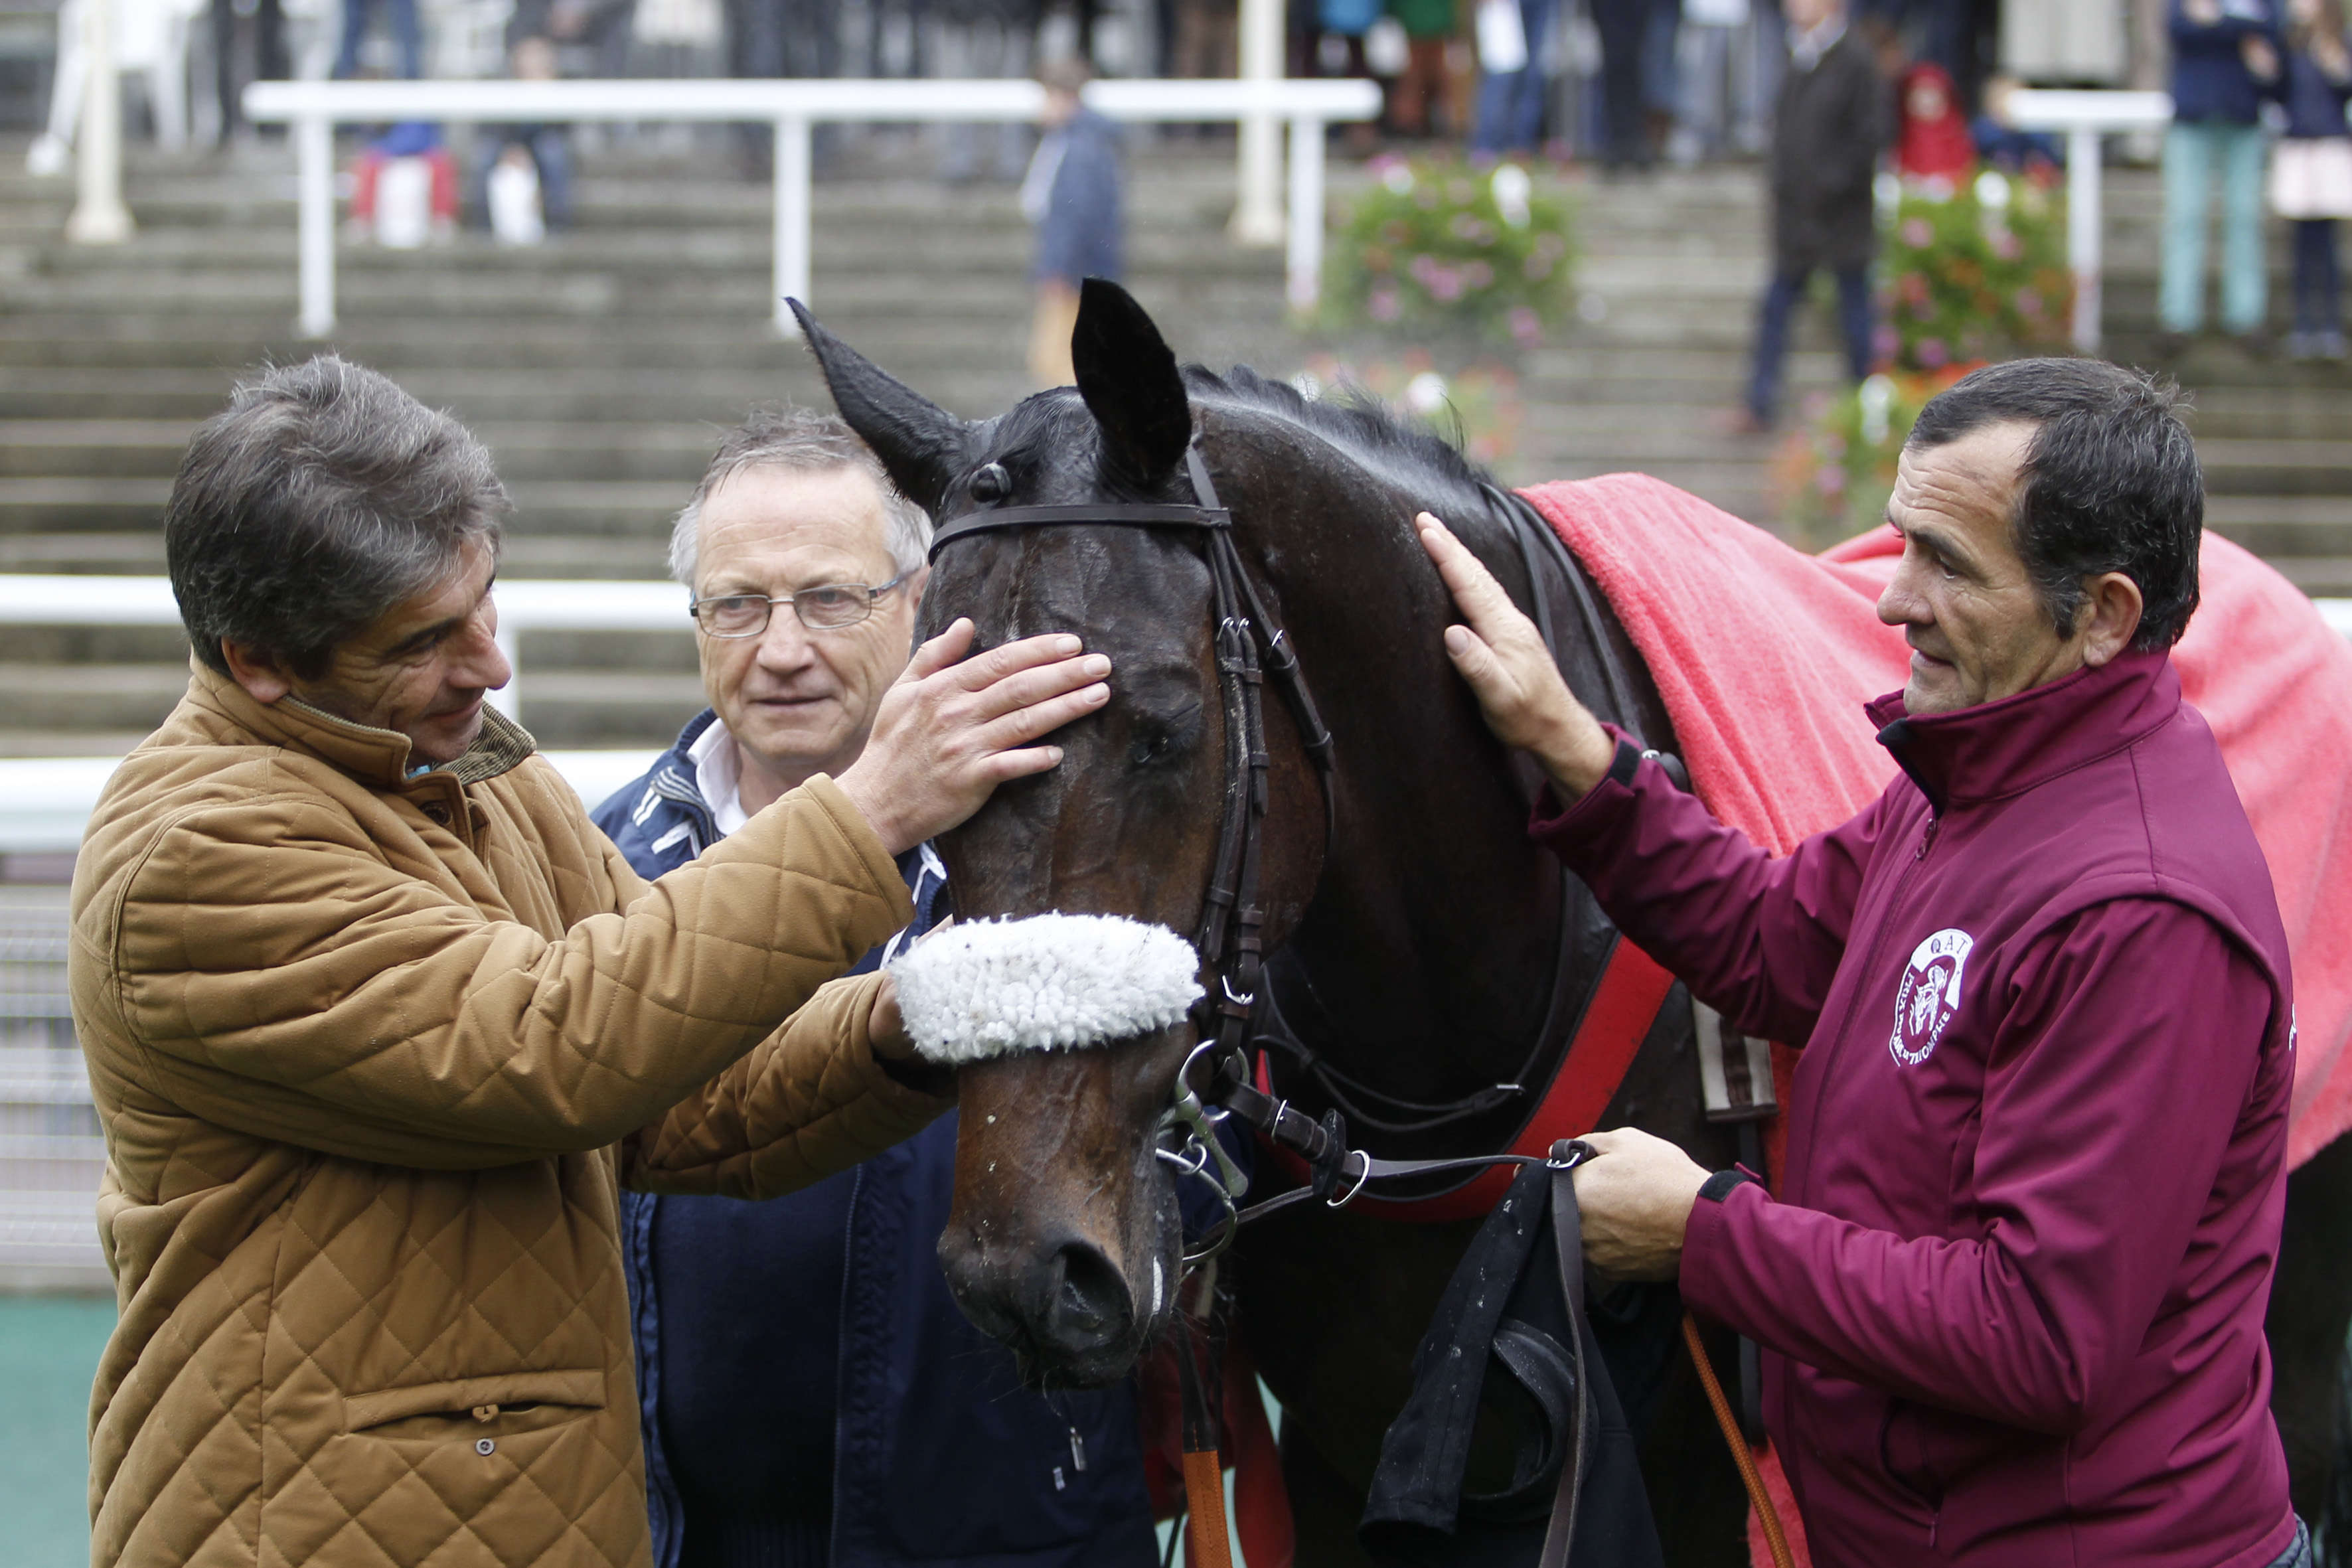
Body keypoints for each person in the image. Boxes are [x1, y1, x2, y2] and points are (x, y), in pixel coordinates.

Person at [67, 357, 1113, 1568]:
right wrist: (868, 810)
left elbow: (688, 1083)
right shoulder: (197, 849)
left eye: (484, 602)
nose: (489, 666)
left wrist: (919, 1009)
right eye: (424, 639)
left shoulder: (469, 775)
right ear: (258, 661)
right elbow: (548, 1047)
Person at [1417, 356, 2308, 1565]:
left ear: (2098, 614)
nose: (1892, 602)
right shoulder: (1986, 767)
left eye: (1947, 563)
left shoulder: (2140, 907)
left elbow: (2036, 1336)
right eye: (1901, 544)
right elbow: (1776, 943)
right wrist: (1568, 744)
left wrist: (1701, 1231)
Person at [595, 408, 1158, 1568]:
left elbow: (1190, 1171)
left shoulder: (1069, 866)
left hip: (1001, 1541)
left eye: (830, 599)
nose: (781, 647)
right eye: (737, 604)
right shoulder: (599, 868)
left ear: (920, 600)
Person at [1740, 0, 1887, 430]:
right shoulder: (1798, 54)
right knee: (1774, 311)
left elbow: (1869, 138)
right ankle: (1758, 403)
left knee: (1855, 317)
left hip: (1840, 220)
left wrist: (1826, 186)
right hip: (1796, 221)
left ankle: (1863, 416)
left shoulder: (1856, 59)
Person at [2159, 0, 2282, 355]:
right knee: (2185, 217)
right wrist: (2239, 28)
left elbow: (2272, 29)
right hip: (2193, 116)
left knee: (2244, 218)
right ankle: (2178, 319)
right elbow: (2179, 30)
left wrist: (2214, 22)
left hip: (2243, 116)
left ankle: (2246, 317)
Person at [1023, 60, 1124, 388]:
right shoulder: (1075, 142)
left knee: (1059, 363)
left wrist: (1059, 268)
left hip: (1074, 275)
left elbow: (1076, 217)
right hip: (1080, 271)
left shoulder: (1079, 149)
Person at [2270, 0, 2352, 360]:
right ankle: (2304, 325)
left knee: (2328, 244)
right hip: (2298, 149)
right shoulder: (2290, 44)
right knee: (2302, 245)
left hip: (2331, 149)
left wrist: (2337, 67)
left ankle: (2330, 326)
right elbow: (2278, 94)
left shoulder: (2341, 42)